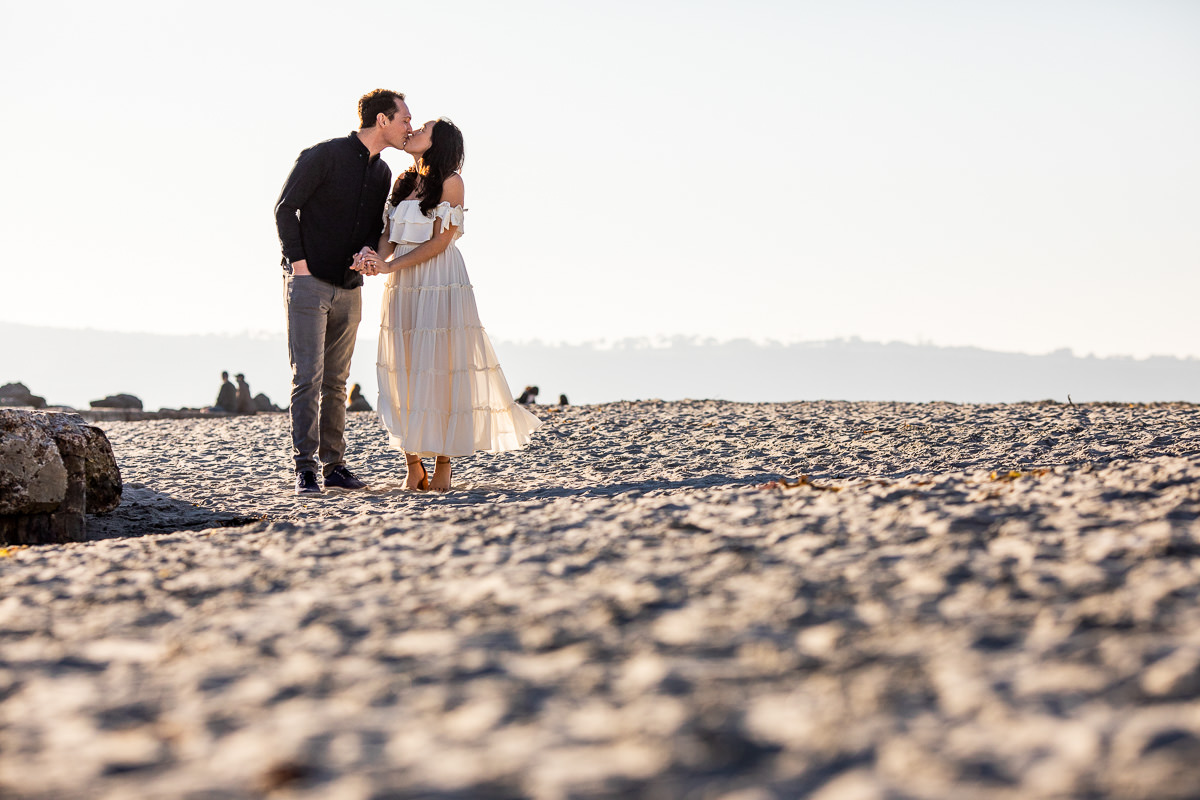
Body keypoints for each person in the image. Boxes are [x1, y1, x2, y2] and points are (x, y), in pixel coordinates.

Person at [356, 117, 540, 492]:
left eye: (423, 129)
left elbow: (440, 242)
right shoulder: (403, 181)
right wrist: (375, 258)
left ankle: (443, 464)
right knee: (401, 367)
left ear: (438, 142)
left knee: (440, 368)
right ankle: (412, 462)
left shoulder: (451, 182)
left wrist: (392, 263)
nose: (413, 132)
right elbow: (389, 236)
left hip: (439, 278)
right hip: (402, 282)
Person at [275, 89, 411, 495]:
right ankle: (305, 469)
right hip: (308, 282)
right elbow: (285, 207)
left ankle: (334, 466)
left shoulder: (383, 173)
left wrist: (369, 251)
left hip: (350, 288)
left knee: (337, 381)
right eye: (404, 118)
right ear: (382, 120)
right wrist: (298, 265)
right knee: (307, 378)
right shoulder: (324, 155)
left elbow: (372, 227)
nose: (408, 126)